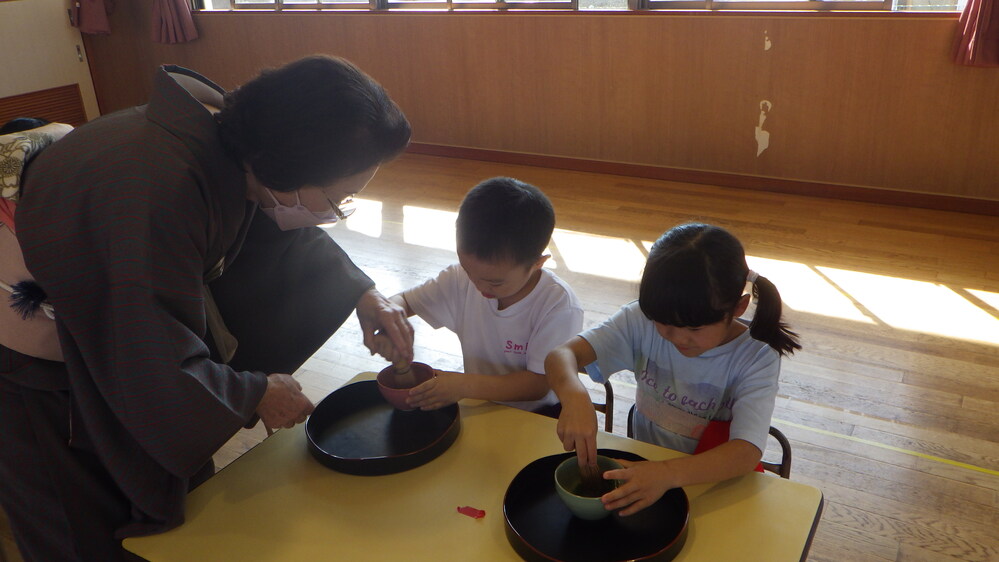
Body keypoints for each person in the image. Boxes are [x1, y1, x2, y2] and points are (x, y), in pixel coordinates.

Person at [0, 55, 415, 561]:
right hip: (38, 363)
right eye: (341, 196)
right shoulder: (152, 187)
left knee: (184, 500)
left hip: (117, 311)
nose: (335, 211)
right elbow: (147, 356)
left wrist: (360, 292)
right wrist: (251, 393)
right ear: (289, 167)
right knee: (80, 527)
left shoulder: (225, 142)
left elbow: (271, 227)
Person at [546, 222, 800, 516]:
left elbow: (745, 452)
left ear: (739, 308)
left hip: (710, 483)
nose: (678, 337)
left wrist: (667, 473)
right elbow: (560, 356)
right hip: (648, 470)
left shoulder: (756, 356)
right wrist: (574, 396)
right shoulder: (640, 320)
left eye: (694, 327)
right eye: (664, 323)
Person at [374, 177, 583, 416]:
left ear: (537, 263)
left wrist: (463, 385)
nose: (479, 285)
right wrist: (390, 319)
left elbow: (538, 384)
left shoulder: (557, 306)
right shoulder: (459, 279)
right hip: (480, 405)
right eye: (468, 270)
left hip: (539, 415)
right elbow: (405, 301)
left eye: (495, 282)